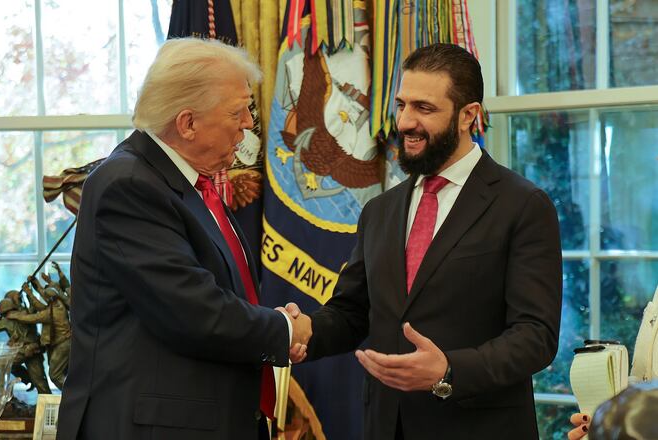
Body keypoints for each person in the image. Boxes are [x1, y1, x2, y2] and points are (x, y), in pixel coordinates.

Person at [287, 43, 562, 439]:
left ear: (469, 115)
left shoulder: (523, 205)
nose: (405, 122)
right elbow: (352, 312)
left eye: (424, 108)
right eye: (401, 105)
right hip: (386, 426)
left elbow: (536, 335)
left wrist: (448, 369)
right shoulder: (379, 211)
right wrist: (306, 329)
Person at [55, 37, 311, 440]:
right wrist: (281, 329)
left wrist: (272, 324)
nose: (248, 123)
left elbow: (217, 293)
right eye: (238, 110)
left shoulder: (191, 185)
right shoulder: (127, 185)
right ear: (188, 123)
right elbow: (193, 311)